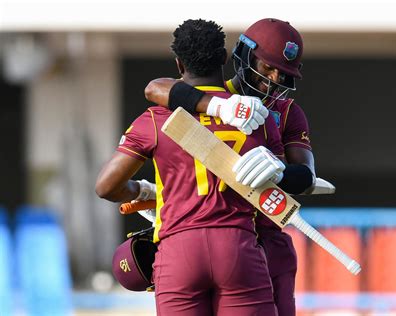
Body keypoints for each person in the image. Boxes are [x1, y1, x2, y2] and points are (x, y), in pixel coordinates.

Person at [96, 19, 297, 315]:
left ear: (178, 64)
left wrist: (140, 189)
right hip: (238, 247)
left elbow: (106, 186)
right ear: (225, 60)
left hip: (179, 250)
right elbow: (283, 187)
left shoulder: (155, 117)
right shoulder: (258, 115)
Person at [143, 18, 318, 316]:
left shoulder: (287, 112)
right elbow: (154, 89)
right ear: (244, 56)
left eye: (284, 74)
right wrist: (219, 106)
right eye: (267, 67)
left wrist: (278, 170)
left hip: (268, 243)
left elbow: (307, 176)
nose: (274, 79)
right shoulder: (210, 95)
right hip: (221, 239)